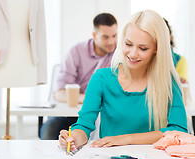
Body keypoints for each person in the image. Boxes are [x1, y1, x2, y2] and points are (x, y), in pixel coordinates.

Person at [59, 10, 188, 151]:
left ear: (157, 49)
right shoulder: (101, 78)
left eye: (143, 48)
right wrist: (74, 139)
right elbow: (84, 125)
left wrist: (126, 139)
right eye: (128, 44)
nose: (133, 54)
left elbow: (179, 131)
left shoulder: (168, 82)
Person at [40, 13, 118, 140]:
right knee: (50, 131)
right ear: (94, 35)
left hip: (100, 116)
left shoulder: (119, 54)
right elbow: (59, 93)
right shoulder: (76, 52)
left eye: (114, 36)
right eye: (105, 37)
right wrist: (89, 99)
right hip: (70, 115)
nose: (111, 42)